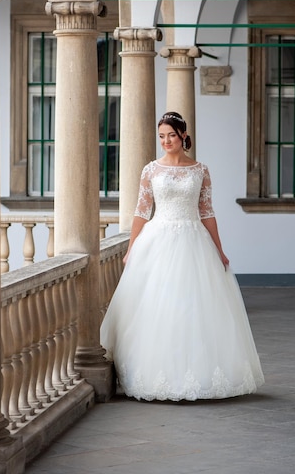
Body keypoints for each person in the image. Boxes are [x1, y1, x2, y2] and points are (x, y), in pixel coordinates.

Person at [100, 111, 264, 401]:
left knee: (192, 307)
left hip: (193, 240)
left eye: (171, 135)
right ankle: (154, 371)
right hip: (158, 239)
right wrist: (131, 248)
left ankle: (195, 373)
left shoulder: (200, 170)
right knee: (157, 306)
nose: (166, 141)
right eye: (161, 136)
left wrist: (219, 249)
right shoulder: (151, 170)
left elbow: (207, 212)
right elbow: (141, 211)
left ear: (183, 136)